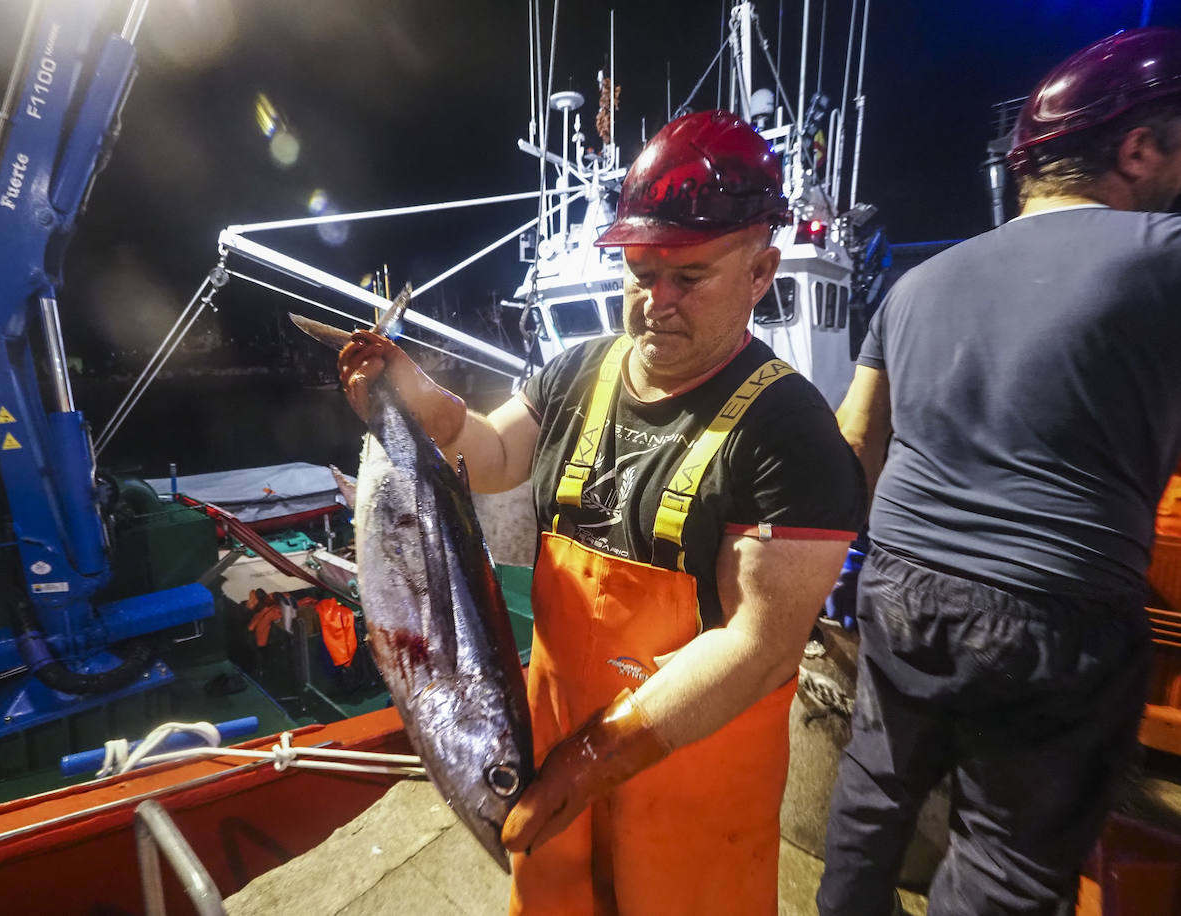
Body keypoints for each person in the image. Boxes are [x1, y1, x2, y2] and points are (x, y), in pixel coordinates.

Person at [339, 110, 865, 915]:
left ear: (761, 272)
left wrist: (593, 759)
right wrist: (408, 397)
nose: (656, 301)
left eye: (688, 279)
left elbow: (758, 646)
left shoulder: (790, 432)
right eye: (639, 271)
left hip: (689, 792)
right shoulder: (580, 368)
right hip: (551, 763)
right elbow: (493, 453)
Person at [817, 28, 1181, 916]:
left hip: (900, 586)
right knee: (1007, 862)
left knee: (875, 789)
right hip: (1054, 611)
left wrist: (839, 581)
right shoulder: (1163, 255)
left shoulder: (917, 283)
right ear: (1138, 147)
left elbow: (853, 443)